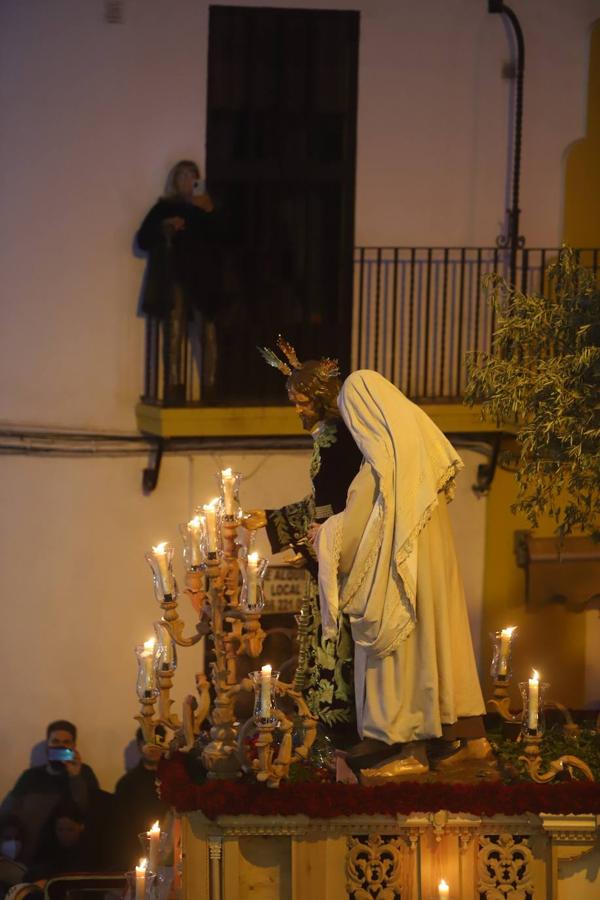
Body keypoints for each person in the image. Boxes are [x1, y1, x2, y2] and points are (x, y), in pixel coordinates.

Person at [314, 370, 490, 777]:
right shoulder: (421, 463)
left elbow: (354, 534)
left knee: (400, 659)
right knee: (440, 649)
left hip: (397, 586)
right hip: (434, 584)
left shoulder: (380, 471)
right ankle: (462, 735)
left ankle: (403, 746)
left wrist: (322, 534)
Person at [244, 337, 363, 741]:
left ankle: (340, 735)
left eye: (301, 402)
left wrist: (307, 549)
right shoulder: (328, 439)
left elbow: (341, 510)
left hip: (341, 561)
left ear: (321, 398)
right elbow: (319, 505)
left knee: (336, 643)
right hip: (326, 554)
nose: (297, 410)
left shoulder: (340, 442)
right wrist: (271, 519)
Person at [137, 160, 222, 404]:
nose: (187, 181)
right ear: (174, 180)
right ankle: (173, 387)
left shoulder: (205, 207)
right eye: (182, 176)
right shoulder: (164, 207)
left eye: (192, 176)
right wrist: (165, 226)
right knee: (174, 329)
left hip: (203, 278)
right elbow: (143, 238)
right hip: (174, 275)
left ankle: (210, 387)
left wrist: (210, 211)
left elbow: (221, 237)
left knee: (208, 330)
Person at [0, 721, 99, 865]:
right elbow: (7, 811)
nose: (61, 746)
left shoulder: (84, 773)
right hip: (32, 856)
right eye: (55, 741)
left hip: (72, 857)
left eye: (66, 742)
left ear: (74, 746)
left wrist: (75, 778)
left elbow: (89, 811)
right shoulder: (30, 777)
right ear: (48, 745)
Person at [111, 728, 169, 870]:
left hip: (170, 850)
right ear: (139, 745)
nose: (153, 747)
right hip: (136, 855)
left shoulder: (175, 779)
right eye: (147, 742)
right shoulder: (127, 784)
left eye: (157, 742)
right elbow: (121, 829)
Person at [25, 802, 98, 881]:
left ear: (81, 827)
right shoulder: (47, 851)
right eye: (60, 830)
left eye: (70, 830)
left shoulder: (90, 853)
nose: (65, 834)